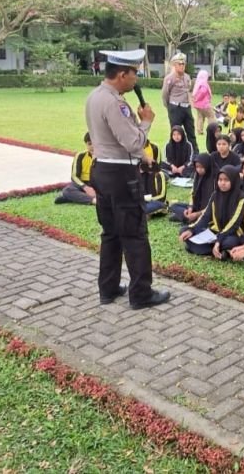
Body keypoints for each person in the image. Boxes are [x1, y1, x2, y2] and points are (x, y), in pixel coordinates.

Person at [85, 48, 170, 309]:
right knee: (134, 234)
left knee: (110, 233)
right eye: (134, 73)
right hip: (122, 175)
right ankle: (141, 294)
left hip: (102, 170)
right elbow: (133, 142)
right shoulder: (115, 103)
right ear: (122, 74)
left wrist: (144, 157)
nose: (136, 78)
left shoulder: (95, 96)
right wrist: (145, 122)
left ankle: (108, 288)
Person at [179, 165, 244, 259]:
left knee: (229, 242)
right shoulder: (215, 195)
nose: (222, 183)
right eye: (220, 179)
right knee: (184, 230)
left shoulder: (241, 197)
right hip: (216, 231)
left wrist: (219, 240)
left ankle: (207, 248)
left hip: (232, 233)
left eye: (226, 180)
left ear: (233, 180)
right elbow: (205, 216)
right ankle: (219, 252)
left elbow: (234, 223)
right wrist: (192, 229)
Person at [160, 53, 197, 151]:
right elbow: (165, 94)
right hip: (175, 107)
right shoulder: (169, 78)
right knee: (176, 133)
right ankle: (174, 153)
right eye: (179, 64)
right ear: (174, 65)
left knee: (191, 132)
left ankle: (194, 153)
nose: (182, 66)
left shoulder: (187, 77)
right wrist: (170, 107)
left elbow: (188, 90)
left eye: (183, 64)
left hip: (186, 107)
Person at [55, 132, 96, 205]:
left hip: (98, 185)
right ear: (86, 144)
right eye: (89, 144)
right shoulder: (81, 155)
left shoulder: (105, 157)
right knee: (68, 190)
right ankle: (93, 200)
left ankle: (73, 198)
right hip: (83, 184)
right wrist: (85, 187)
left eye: (95, 143)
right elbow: (74, 176)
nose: (92, 146)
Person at [192, 70, 215, 136]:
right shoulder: (204, 83)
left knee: (200, 117)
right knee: (211, 116)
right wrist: (198, 98)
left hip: (198, 105)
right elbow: (203, 92)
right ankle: (212, 129)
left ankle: (200, 130)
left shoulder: (198, 82)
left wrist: (195, 100)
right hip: (205, 104)